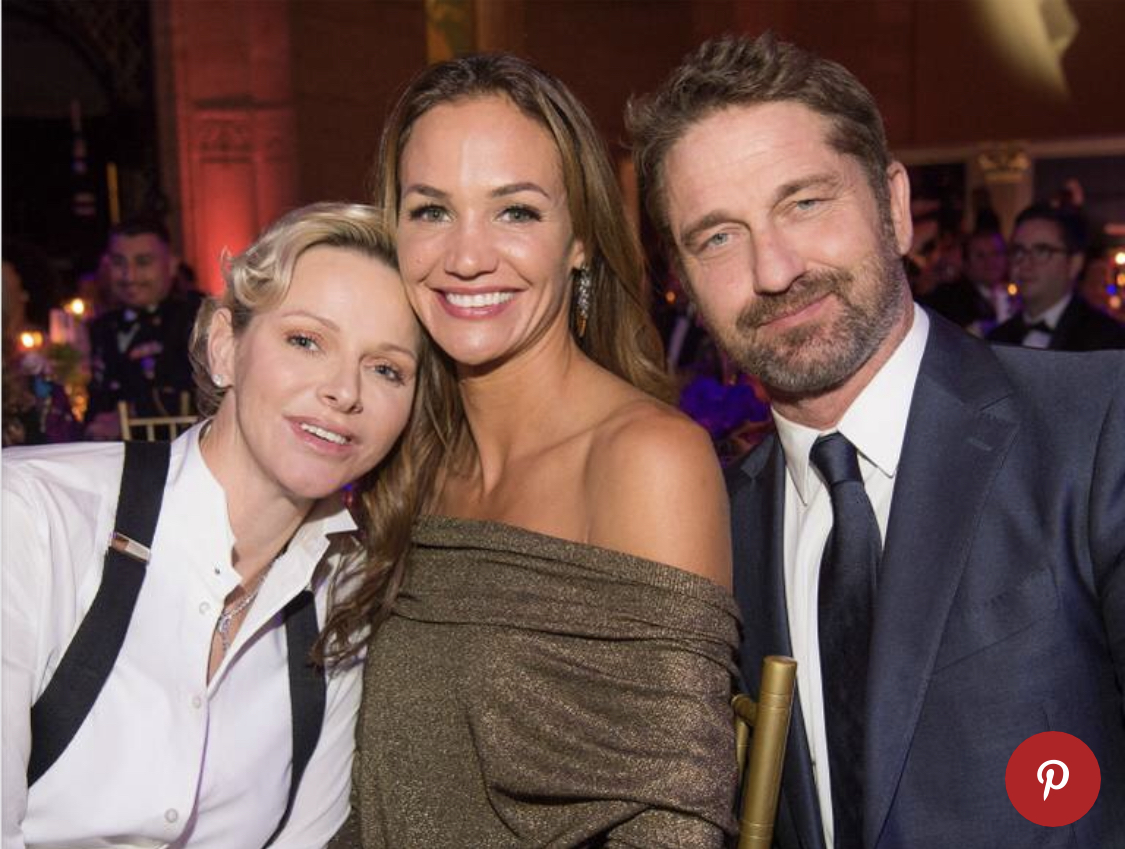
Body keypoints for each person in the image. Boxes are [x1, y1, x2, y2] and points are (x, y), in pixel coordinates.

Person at [629, 33, 1125, 849]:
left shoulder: (1096, 426)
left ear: (892, 205)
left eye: (803, 202)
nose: (774, 269)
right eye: (717, 236)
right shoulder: (707, 529)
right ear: (681, 277)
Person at [334, 53, 740, 848]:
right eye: (430, 210)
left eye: (514, 211)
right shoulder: (408, 461)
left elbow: (673, 825)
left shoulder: (645, 460)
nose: (466, 256)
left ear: (579, 240)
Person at [3, 203, 441, 848]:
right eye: (306, 341)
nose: (345, 391)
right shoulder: (34, 519)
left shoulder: (348, 598)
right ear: (225, 347)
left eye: (386, 369)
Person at [84, 216, 203, 439]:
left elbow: (204, 396)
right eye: (119, 262)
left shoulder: (197, 319)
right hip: (110, 456)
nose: (129, 276)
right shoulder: (102, 327)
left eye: (143, 262)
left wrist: (129, 416)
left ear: (172, 264)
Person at [988, 203, 1125, 350]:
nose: (1025, 263)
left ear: (1074, 263)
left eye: (1041, 251)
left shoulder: (1109, 341)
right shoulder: (996, 340)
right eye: (1019, 250)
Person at [920, 227, 1010, 336]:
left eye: (996, 253)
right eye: (980, 256)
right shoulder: (951, 297)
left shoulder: (1015, 295)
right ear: (966, 263)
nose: (990, 261)